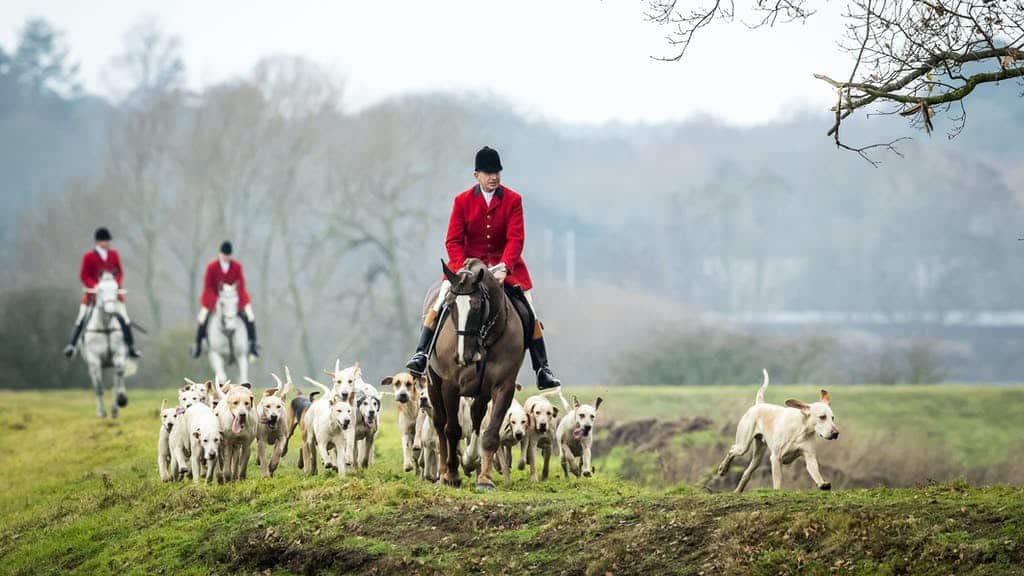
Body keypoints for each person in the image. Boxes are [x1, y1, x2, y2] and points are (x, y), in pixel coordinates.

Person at [405, 146, 561, 390]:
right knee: (440, 301)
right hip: (467, 269)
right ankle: (422, 353)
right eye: (488, 173)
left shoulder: (513, 200)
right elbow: (453, 240)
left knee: (530, 312)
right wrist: (462, 269)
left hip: (504, 267)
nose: (493, 177)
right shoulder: (462, 201)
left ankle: (542, 368)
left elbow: (516, 239)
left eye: (496, 172)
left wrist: (505, 266)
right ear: (476, 175)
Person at [63, 227, 141, 358]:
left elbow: (120, 272)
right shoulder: (89, 257)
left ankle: (131, 347)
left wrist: (115, 284)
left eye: (109, 240)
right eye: (106, 240)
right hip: (94, 295)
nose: (109, 243)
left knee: (125, 318)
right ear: (99, 242)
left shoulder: (114, 254)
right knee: (82, 317)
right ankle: (72, 346)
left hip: (112, 295)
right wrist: (94, 286)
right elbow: (84, 275)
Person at [191, 241, 259, 358]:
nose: (226, 258)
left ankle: (253, 344)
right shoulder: (211, 267)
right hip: (215, 298)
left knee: (250, 315)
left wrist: (238, 301)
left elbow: (241, 285)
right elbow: (208, 286)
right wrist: (215, 300)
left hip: (234, 298)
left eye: (228, 255)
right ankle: (198, 345)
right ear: (220, 254)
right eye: (224, 255)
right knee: (202, 316)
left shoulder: (237, 267)